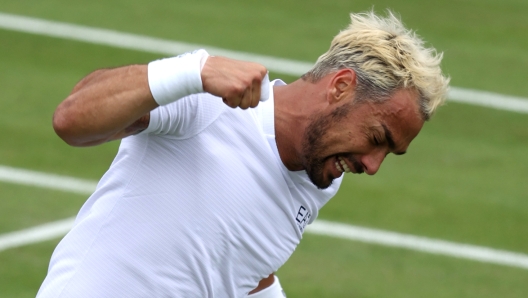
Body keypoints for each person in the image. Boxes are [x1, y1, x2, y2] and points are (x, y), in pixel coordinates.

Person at [37, 10, 449, 298]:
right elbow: (71, 119)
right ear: (340, 86)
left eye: (390, 154)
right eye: (377, 137)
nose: (373, 166)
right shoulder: (210, 100)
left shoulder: (321, 176)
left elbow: (243, 262)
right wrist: (191, 72)